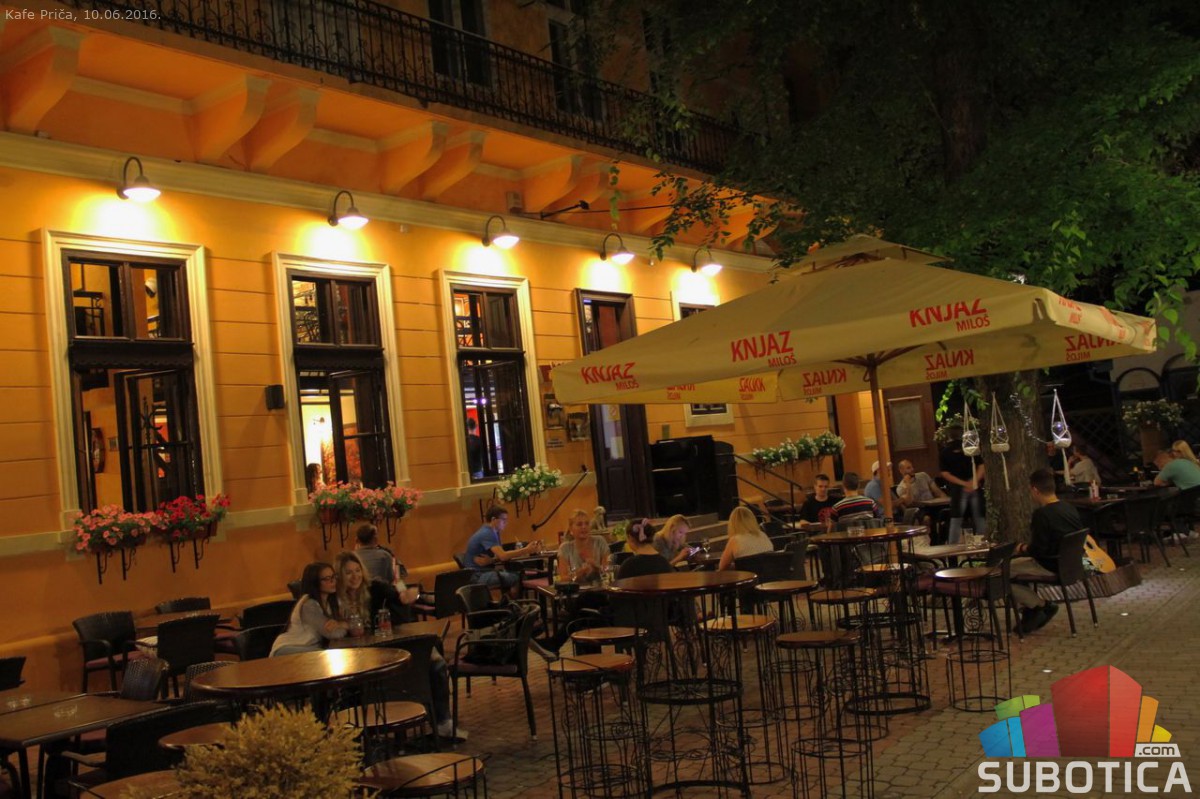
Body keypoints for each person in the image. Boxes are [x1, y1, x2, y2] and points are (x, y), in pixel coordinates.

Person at [330, 552, 463, 740]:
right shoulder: (333, 598)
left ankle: (443, 722)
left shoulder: (374, 587)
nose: (355, 576)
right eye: (348, 572)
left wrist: (407, 594)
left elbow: (398, 590)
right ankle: (363, 731)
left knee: (436, 663)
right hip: (355, 654)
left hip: (388, 646)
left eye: (357, 571)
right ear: (339, 576)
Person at [1009, 469, 1070, 634]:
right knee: (1013, 569)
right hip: (1070, 564)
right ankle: (1032, 609)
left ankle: (1039, 605)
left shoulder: (1042, 514)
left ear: (1035, 490)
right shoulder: (1069, 509)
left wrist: (1021, 548)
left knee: (998, 573)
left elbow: (1037, 550)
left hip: (1049, 564)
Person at [271, 562, 348, 656]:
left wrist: (341, 624)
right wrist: (344, 625)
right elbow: (334, 634)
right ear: (314, 582)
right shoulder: (308, 605)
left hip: (309, 647)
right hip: (289, 648)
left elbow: (352, 624)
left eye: (333, 576)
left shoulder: (329, 603)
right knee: (328, 655)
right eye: (326, 579)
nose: (333, 581)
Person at [465, 506, 543, 597]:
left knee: (515, 574)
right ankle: (512, 603)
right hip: (477, 576)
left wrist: (491, 560)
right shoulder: (487, 533)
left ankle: (509, 602)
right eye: (503, 520)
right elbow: (503, 556)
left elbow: (498, 556)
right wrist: (527, 550)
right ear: (493, 519)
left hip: (483, 572)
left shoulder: (493, 532)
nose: (506, 523)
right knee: (516, 577)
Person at [939, 426, 987, 543]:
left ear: (949, 436)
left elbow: (945, 473)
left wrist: (963, 483)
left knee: (956, 519)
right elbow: (981, 466)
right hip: (975, 486)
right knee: (979, 517)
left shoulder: (945, 452)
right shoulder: (971, 448)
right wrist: (973, 482)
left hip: (957, 488)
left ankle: (953, 547)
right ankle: (983, 543)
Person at [557, 508, 611, 584]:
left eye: (587, 523)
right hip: (575, 590)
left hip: (601, 588)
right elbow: (563, 578)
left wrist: (595, 566)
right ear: (571, 529)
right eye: (579, 524)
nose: (584, 527)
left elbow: (608, 571)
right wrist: (580, 572)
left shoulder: (600, 541)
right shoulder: (565, 548)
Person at [718, 506, 773, 570]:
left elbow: (722, 567)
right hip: (769, 574)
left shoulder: (735, 540)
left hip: (748, 575)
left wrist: (737, 565)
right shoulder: (763, 535)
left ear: (733, 523)